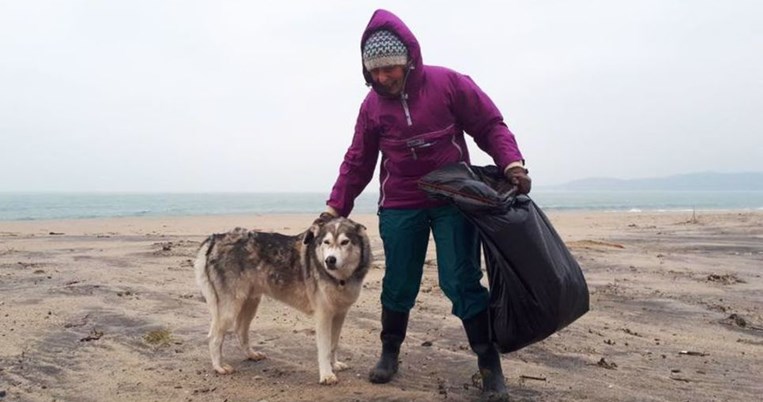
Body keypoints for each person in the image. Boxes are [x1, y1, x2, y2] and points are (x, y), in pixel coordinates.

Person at [315, 9, 531, 399]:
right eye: (374, 72)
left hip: (453, 199)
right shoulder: (372, 107)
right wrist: (335, 207)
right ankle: (389, 352)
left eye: (389, 70)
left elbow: (489, 125)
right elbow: (358, 159)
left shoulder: (448, 84)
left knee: (461, 280)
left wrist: (511, 163)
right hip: (400, 203)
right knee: (398, 282)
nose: (382, 78)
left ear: (408, 61)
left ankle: (489, 364)